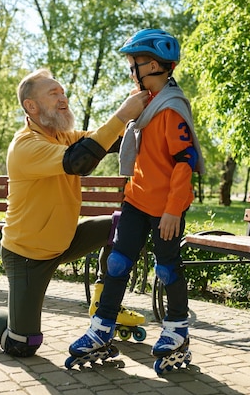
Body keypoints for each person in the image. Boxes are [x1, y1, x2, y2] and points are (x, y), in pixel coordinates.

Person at [0, 68, 149, 358]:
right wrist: (122, 115)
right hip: (28, 256)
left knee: (123, 226)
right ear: (30, 106)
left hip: (64, 241)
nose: (63, 98)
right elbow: (79, 161)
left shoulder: (62, 136)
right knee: (22, 343)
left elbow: (106, 141)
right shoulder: (26, 145)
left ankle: (102, 302)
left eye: (62, 92)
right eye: (53, 93)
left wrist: (138, 111)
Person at [67, 29, 205, 373]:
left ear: (155, 66)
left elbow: (184, 164)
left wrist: (174, 210)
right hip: (136, 201)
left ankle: (177, 331)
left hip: (166, 210)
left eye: (135, 65)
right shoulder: (141, 104)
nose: (131, 73)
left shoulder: (171, 110)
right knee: (116, 264)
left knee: (166, 268)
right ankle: (101, 329)